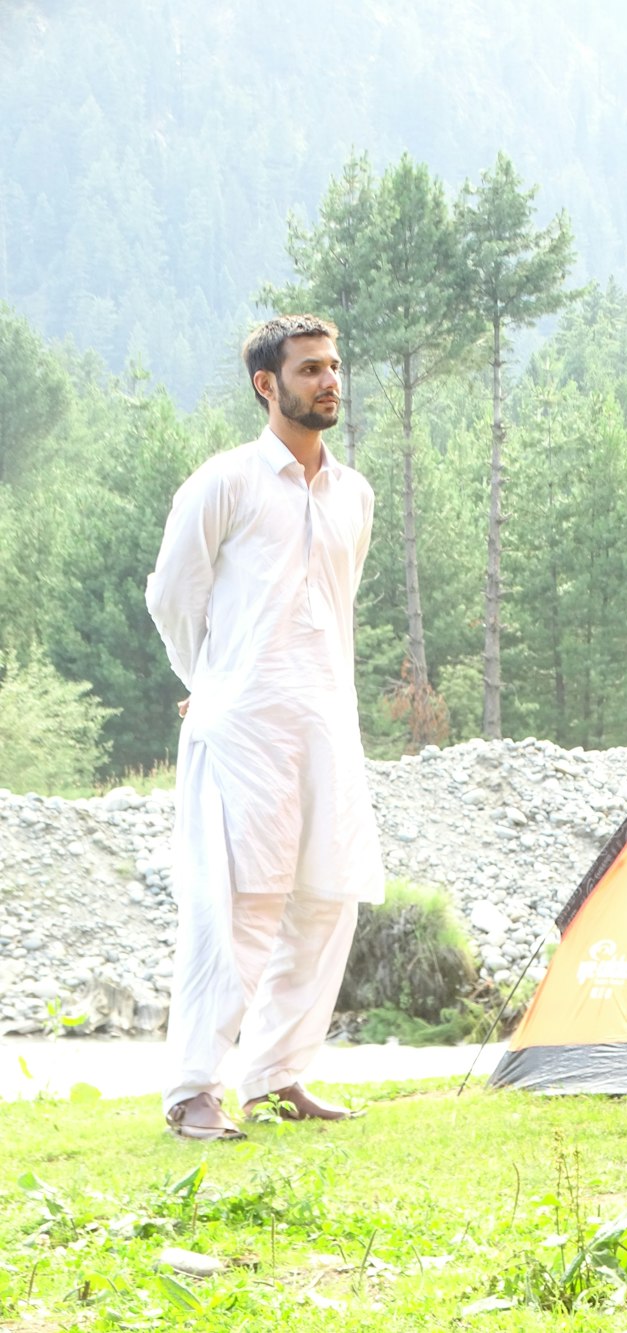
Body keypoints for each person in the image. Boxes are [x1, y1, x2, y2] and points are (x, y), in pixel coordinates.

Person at [146, 314, 384, 1141]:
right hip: (243, 729)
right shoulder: (226, 483)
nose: (329, 381)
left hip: (326, 720)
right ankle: (192, 1090)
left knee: (326, 898)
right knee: (237, 904)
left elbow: (334, 607)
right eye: (311, 369)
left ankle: (278, 1075)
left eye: (334, 366)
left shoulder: (354, 494)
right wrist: (205, 681)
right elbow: (172, 595)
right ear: (266, 384)